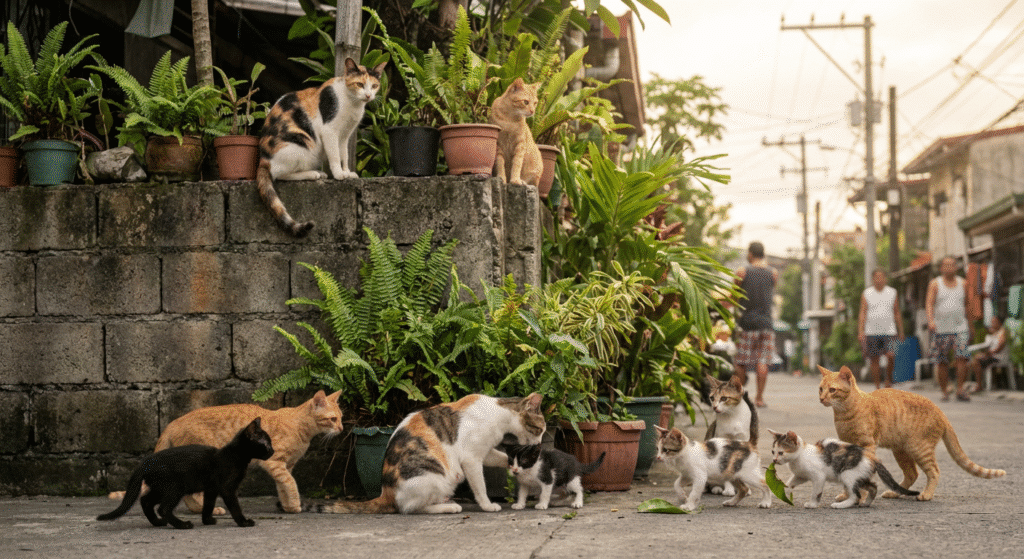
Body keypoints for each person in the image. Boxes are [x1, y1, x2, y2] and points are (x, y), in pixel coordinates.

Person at [733, 241, 778, 408]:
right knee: (762, 362)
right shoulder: (773, 273)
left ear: (750, 254)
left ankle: (738, 396)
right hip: (766, 324)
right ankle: (759, 398)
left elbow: (734, 296)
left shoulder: (742, 272)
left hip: (747, 323)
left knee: (741, 361)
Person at [925, 256, 971, 401]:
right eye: (946, 265)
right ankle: (945, 390)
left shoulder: (963, 283)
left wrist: (971, 325)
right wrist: (931, 320)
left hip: (960, 327)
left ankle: (960, 389)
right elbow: (929, 304)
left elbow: (968, 305)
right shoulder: (935, 283)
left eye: (952, 265)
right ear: (941, 268)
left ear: (956, 267)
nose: (949, 267)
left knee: (962, 357)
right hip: (941, 328)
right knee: (942, 361)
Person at [858, 268, 905, 389]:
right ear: (873, 279)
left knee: (891, 355)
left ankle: (888, 380)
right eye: (876, 277)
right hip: (871, 331)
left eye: (881, 277)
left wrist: (901, 331)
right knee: (874, 360)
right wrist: (861, 331)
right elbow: (863, 312)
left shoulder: (892, 292)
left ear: (885, 279)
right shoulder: (867, 293)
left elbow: (897, 312)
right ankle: (877, 386)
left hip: (890, 331)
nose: (879, 280)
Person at [969, 314, 1009, 393]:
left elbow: (1000, 346)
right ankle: (979, 384)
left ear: (1000, 323)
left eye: (994, 322)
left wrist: (989, 353)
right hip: (994, 355)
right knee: (976, 358)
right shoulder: (995, 333)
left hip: (999, 357)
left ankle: (979, 385)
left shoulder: (1003, 332)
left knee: (977, 360)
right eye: (992, 322)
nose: (992, 324)